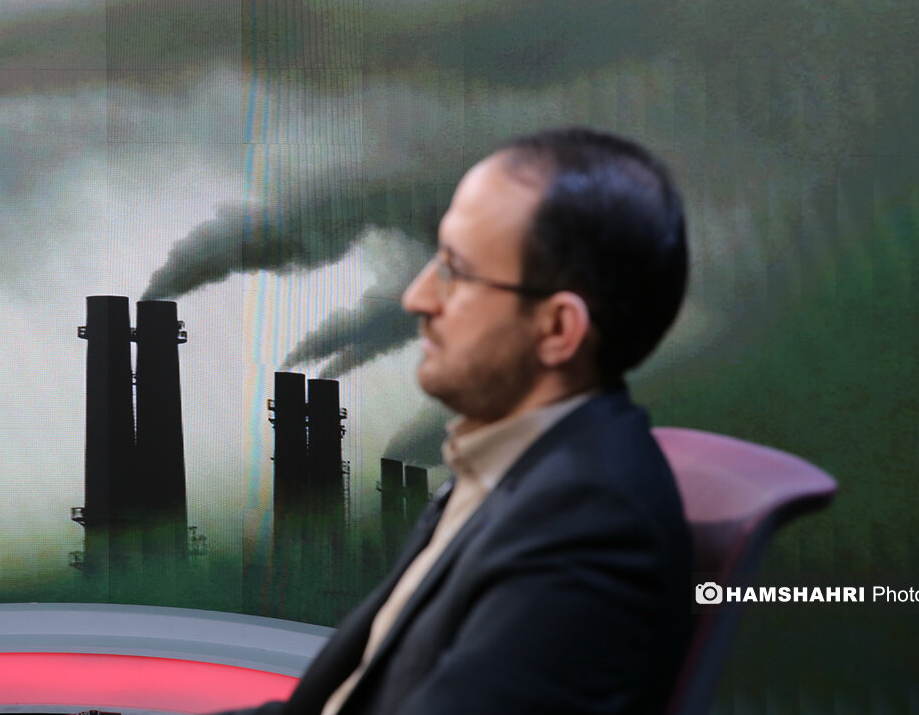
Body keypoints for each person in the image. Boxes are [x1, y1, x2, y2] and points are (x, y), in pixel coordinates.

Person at [220, 127, 692, 714]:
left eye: (456, 271)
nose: (417, 297)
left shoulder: (587, 531)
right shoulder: (510, 472)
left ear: (557, 329)